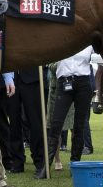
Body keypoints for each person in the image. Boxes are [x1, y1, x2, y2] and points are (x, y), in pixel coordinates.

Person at [38, 47, 96, 178]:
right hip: (64, 81)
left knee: (79, 125)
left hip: (83, 82)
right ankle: (46, 167)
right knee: (56, 124)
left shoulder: (88, 43)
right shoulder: (62, 40)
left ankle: (75, 164)